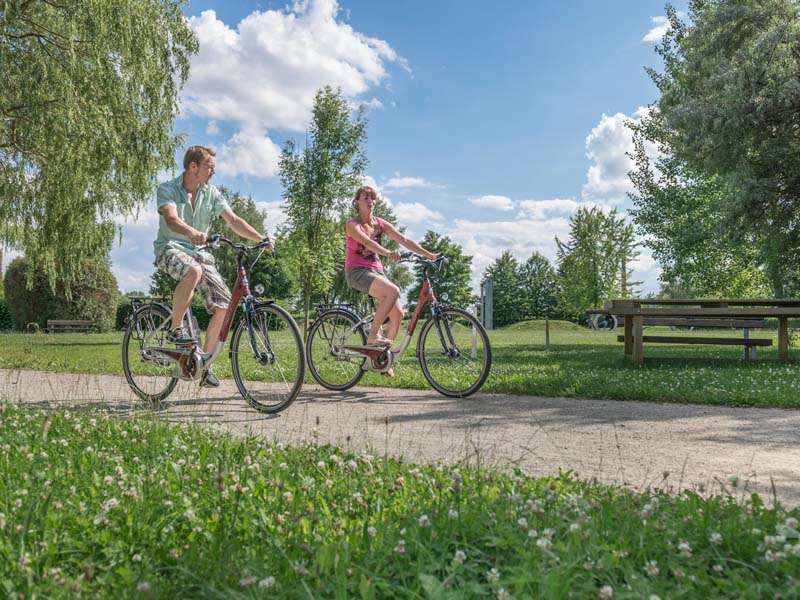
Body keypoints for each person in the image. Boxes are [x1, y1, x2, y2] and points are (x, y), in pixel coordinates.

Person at [153, 145, 267, 387]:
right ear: (193, 166)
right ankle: (175, 328)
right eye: (209, 166)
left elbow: (234, 221)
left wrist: (260, 238)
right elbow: (172, 220)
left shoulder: (211, 193)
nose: (213, 171)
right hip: (170, 248)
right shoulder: (168, 189)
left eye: (214, 167)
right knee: (193, 271)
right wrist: (192, 232)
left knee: (226, 305)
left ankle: (204, 366)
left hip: (200, 254)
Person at [344, 185, 439, 370]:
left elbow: (404, 240)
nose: (370, 201)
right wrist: (388, 253)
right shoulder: (352, 224)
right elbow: (366, 242)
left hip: (376, 272)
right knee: (393, 291)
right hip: (357, 271)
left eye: (373, 198)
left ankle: (381, 360)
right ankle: (373, 336)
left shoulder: (379, 223)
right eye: (365, 198)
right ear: (357, 202)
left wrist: (430, 255)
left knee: (397, 315)